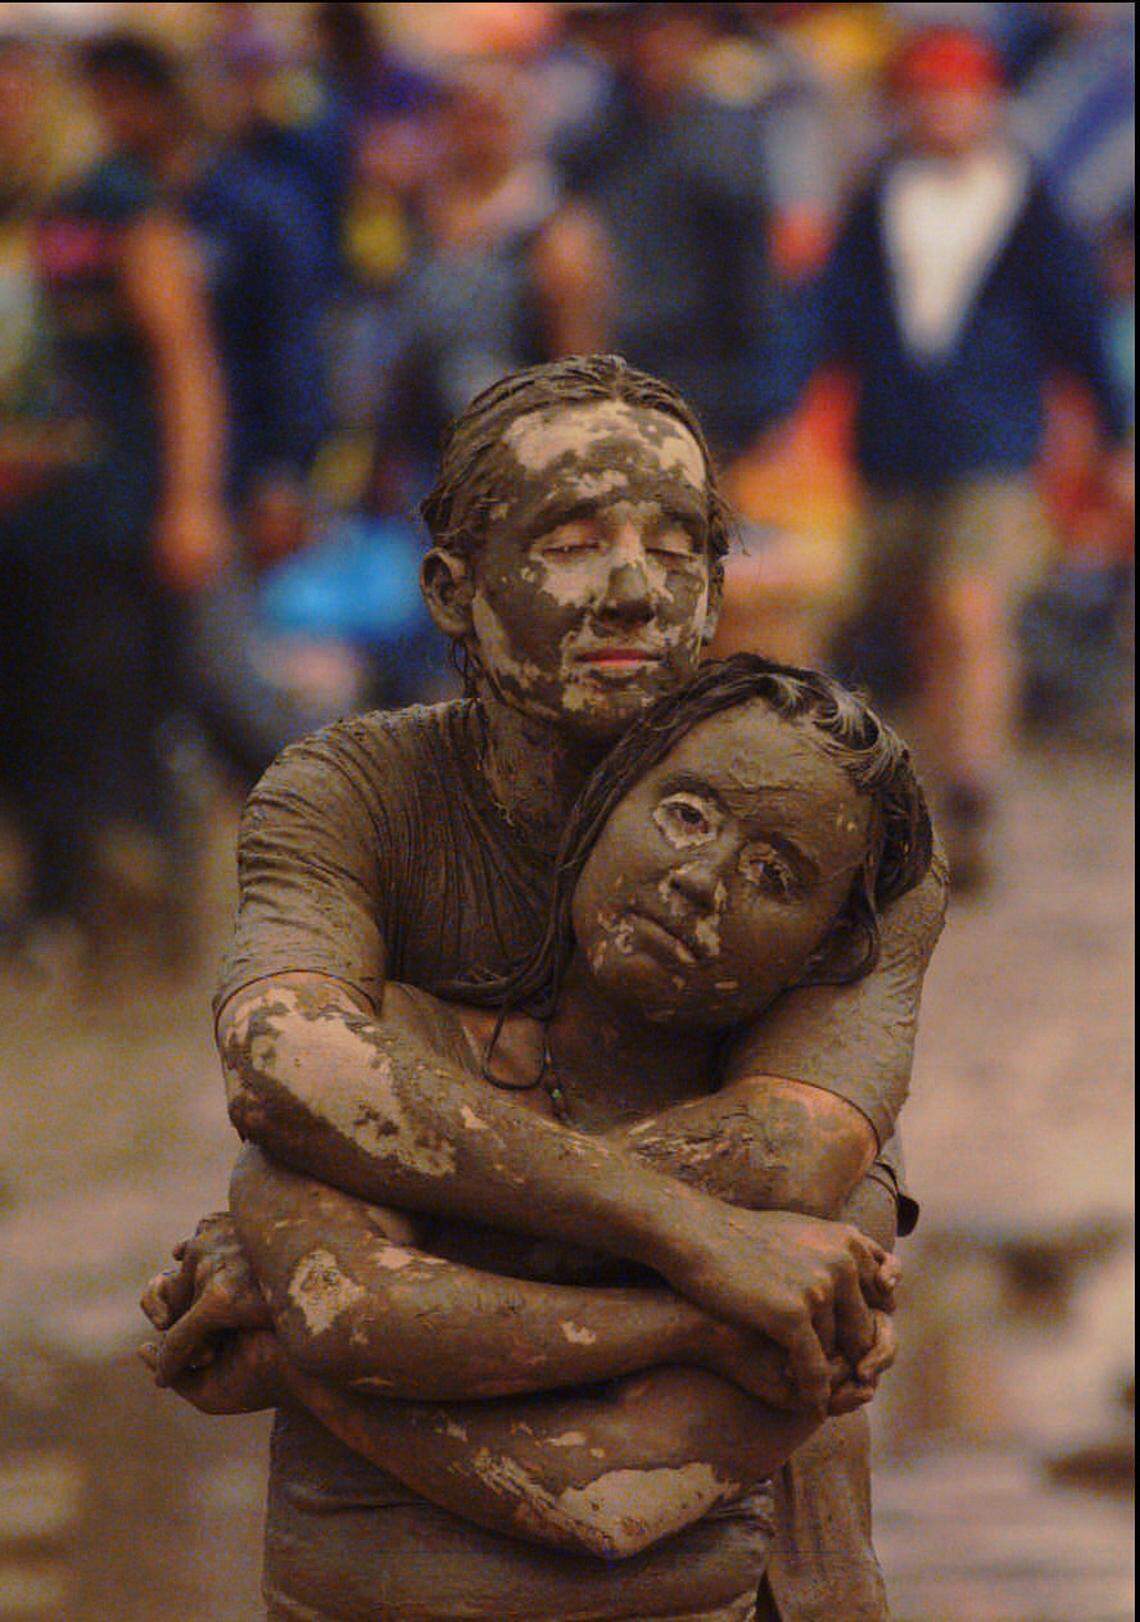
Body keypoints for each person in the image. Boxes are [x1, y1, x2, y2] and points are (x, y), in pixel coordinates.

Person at [142, 355, 947, 1619]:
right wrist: (701, 1256)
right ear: (453, 591)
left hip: (739, 1552)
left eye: (680, 546)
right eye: (573, 539)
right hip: (382, 1563)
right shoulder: (348, 793)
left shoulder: (852, 825)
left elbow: (792, 1159)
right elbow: (287, 1064)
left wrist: (324, 1285)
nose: (634, 584)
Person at [788, 26, 1132, 887]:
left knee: (968, 610)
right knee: (901, 623)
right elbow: (822, 318)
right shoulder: (877, 202)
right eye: (927, 96)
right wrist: (778, 410)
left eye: (960, 96)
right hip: (892, 451)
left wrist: (1118, 439)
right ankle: (912, 802)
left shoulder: (1029, 202)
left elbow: (1081, 333)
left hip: (994, 449)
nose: (943, 113)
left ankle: (973, 786)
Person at [0, 30, 230, 958]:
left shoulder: (117, 203)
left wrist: (191, 501)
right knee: (23, 721)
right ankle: (51, 908)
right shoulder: (19, 208)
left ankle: (132, 917)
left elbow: (185, 362)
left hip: (103, 515)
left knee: (107, 715)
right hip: (17, 522)